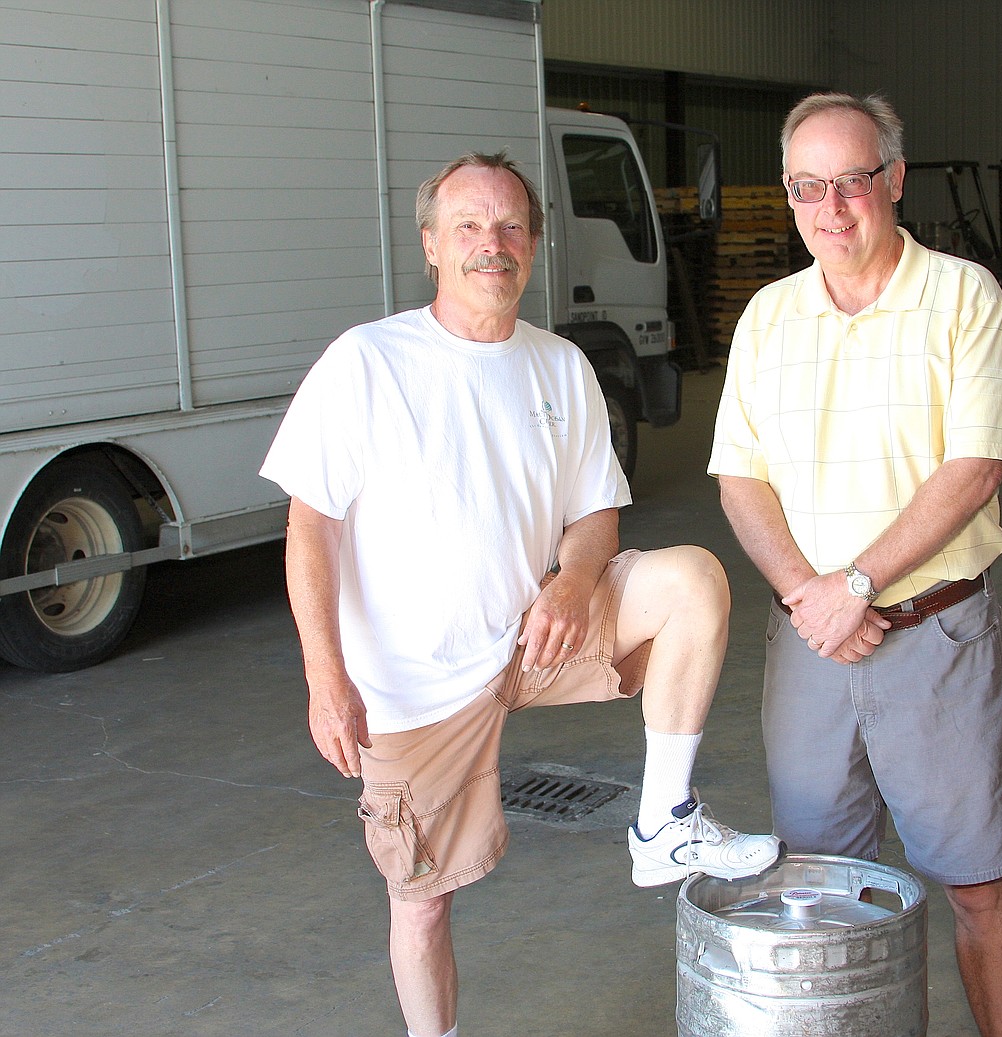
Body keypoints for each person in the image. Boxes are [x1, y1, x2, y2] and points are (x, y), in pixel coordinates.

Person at [260, 151, 779, 1037]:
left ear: (534, 247)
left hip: (538, 638)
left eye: (508, 227)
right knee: (420, 899)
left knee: (693, 577)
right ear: (430, 244)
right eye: (467, 226)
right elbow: (310, 528)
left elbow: (595, 512)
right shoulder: (369, 362)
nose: (489, 246)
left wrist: (576, 581)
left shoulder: (562, 366)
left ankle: (664, 819)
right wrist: (325, 675)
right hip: (416, 683)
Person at [709, 94, 1002, 1037]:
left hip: (935, 636)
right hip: (810, 646)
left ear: (893, 179)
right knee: (822, 888)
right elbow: (740, 479)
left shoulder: (963, 296)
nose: (832, 208)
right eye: (807, 188)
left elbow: (971, 469)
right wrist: (811, 599)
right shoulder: (770, 317)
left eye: (852, 181)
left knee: (977, 885)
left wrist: (851, 584)